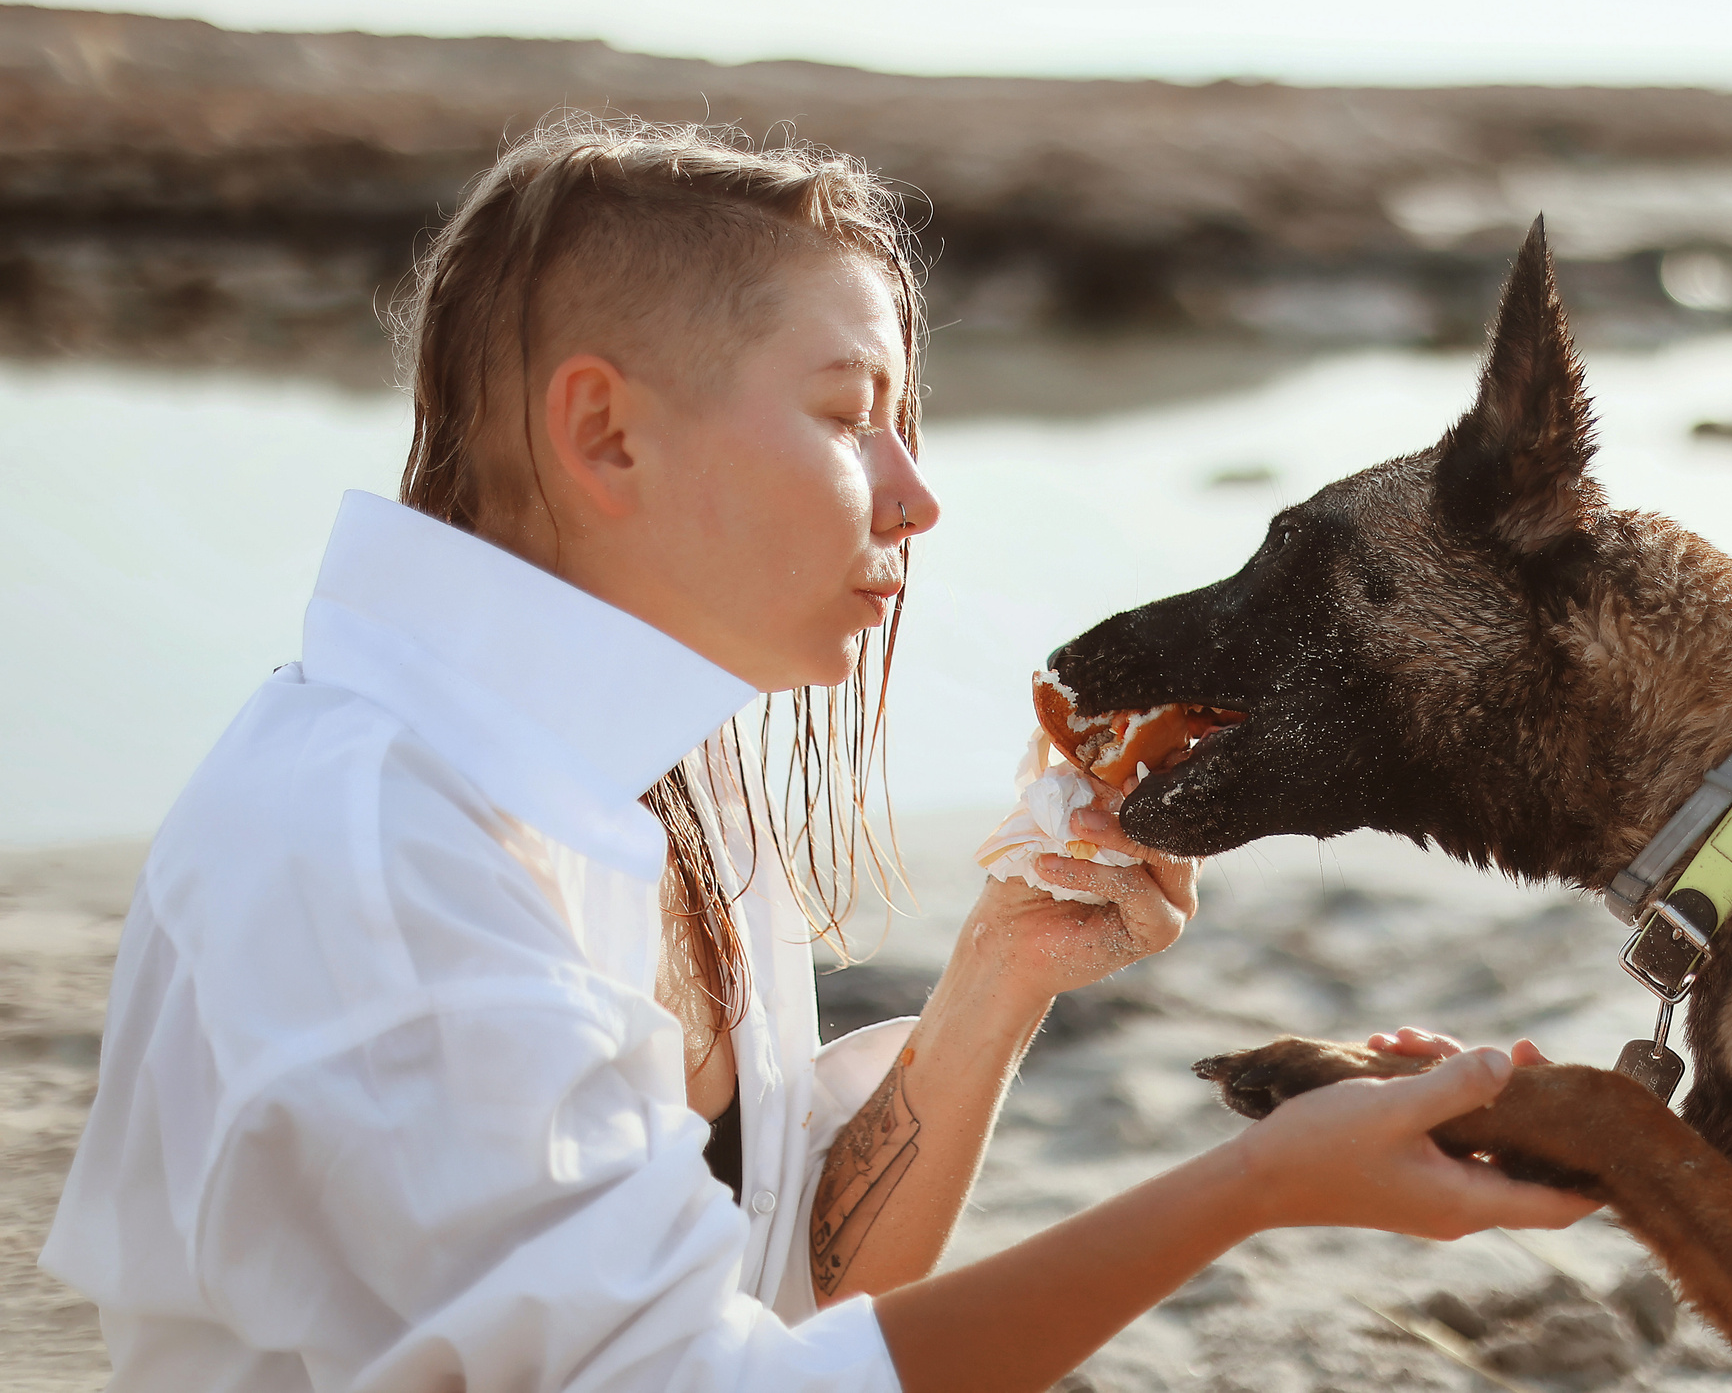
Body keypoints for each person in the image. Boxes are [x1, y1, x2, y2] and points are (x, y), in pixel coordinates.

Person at [43, 119, 1591, 1393]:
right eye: (851, 417)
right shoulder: (382, 849)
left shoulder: (668, 774)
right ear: (606, 434)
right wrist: (1255, 1188)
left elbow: (794, 1303)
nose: (917, 499)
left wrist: (1000, 977)